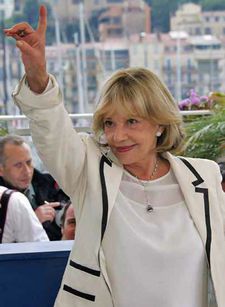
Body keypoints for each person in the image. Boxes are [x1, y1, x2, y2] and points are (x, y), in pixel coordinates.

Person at [5, 5, 225, 307]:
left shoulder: (205, 177)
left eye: (131, 121)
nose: (117, 136)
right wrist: (38, 77)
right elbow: (52, 131)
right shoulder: (90, 170)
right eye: (109, 123)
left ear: (159, 123)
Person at [0, 135, 69, 240]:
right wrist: (32, 220)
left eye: (29, 162)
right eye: (18, 165)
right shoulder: (3, 199)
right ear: (1, 170)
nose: (27, 171)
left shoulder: (52, 184)